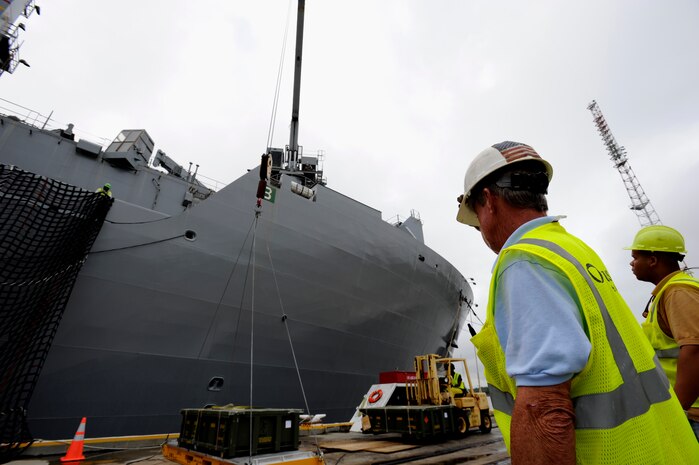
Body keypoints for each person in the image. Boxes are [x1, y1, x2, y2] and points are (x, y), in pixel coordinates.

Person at [456, 141, 698, 464]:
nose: (482, 232)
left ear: (488, 200)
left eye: (476, 220)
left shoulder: (525, 261)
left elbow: (543, 411)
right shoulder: (571, 250)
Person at [626, 225, 699, 440]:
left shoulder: (678, 292)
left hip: (691, 414)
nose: (631, 263)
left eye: (635, 257)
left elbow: (694, 350)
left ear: (653, 260)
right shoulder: (668, 292)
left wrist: (677, 412)